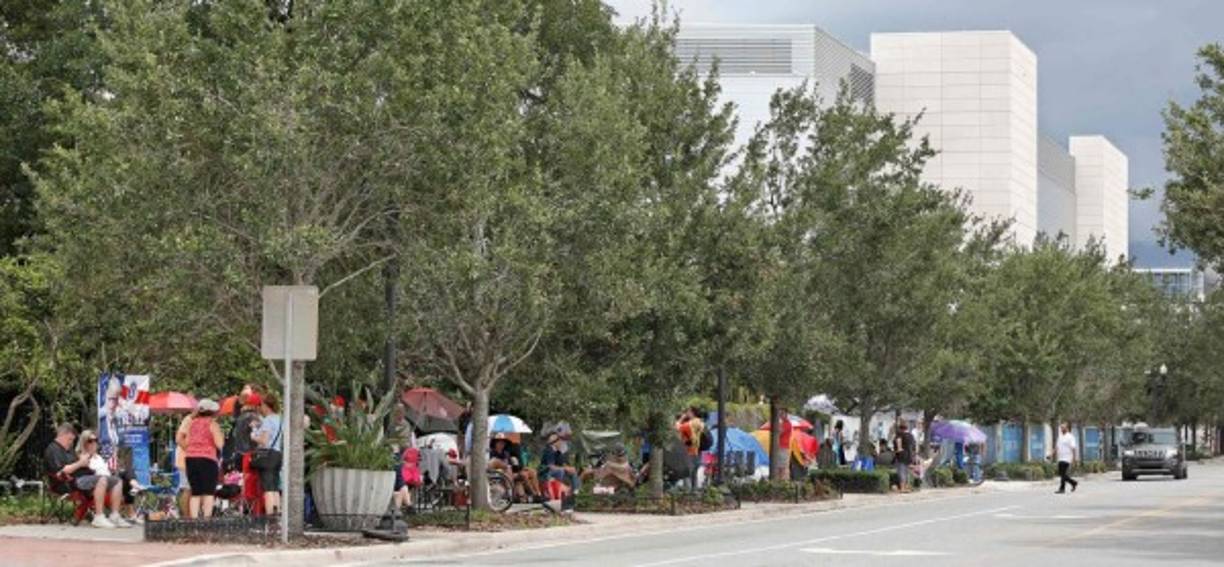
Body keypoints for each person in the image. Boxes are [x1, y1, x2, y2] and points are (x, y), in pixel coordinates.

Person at [44, 425, 130, 528]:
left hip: (83, 477)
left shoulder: (68, 449)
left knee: (117, 481)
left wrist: (85, 463)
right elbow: (61, 472)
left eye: (72, 440)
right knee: (102, 479)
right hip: (67, 483)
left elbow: (76, 464)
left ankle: (114, 515)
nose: (71, 442)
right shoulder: (52, 450)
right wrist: (80, 463)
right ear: (62, 435)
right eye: (70, 439)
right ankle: (99, 517)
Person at [178, 399, 224, 518]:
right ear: (212, 411)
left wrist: (193, 449)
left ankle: (194, 520)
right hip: (207, 459)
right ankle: (206, 520)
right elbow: (220, 444)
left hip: (191, 459)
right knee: (208, 492)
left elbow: (186, 441)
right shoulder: (212, 424)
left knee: (196, 492)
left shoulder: (191, 423)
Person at [251, 393, 284, 514]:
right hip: (277, 454)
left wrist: (253, 435)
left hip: (267, 456)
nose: (260, 407)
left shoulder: (268, 420)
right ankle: (278, 513)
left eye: (261, 405)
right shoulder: (280, 419)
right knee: (275, 486)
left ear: (266, 405)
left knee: (268, 487)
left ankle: (270, 515)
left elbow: (264, 441)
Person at [490, 435, 541, 502]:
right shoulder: (492, 453)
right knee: (523, 475)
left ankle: (538, 494)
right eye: (499, 443)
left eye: (503, 443)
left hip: (511, 473)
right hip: (502, 475)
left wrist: (516, 463)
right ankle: (534, 495)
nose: (501, 445)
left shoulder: (505, 453)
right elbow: (495, 466)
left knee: (532, 472)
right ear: (495, 444)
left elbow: (514, 466)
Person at [674, 407, 705, 489]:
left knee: (686, 473)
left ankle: (688, 494)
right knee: (694, 474)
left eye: (688, 412)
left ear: (692, 413)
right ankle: (694, 492)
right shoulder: (700, 422)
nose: (686, 413)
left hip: (688, 451)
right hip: (696, 450)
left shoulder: (691, 424)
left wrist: (681, 418)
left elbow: (677, 427)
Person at [1055, 423, 1079, 494]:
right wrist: (1051, 454)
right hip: (1060, 458)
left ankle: (1062, 489)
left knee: (1063, 474)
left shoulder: (1070, 437)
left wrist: (1074, 458)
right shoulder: (1060, 437)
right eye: (1061, 428)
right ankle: (1073, 483)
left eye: (1063, 428)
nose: (1062, 429)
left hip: (1067, 458)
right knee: (1061, 474)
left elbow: (1073, 448)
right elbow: (1057, 447)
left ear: (1067, 428)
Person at [894, 423, 916, 493]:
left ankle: (902, 488)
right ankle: (907, 487)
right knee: (907, 472)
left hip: (901, 456)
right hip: (910, 456)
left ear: (900, 429)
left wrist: (898, 449)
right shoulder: (911, 436)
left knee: (901, 472)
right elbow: (914, 446)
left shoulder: (899, 435)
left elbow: (898, 443)